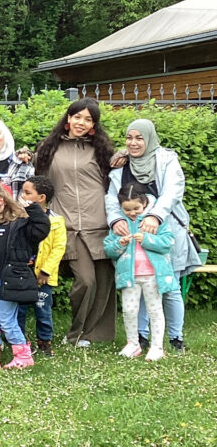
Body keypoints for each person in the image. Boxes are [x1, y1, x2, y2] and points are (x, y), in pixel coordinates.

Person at [106, 119, 200, 354]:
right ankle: (141, 337)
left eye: (140, 138)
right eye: (129, 138)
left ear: (149, 138)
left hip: (165, 230)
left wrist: (155, 216)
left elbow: (173, 190)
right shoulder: (121, 166)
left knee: (170, 288)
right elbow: (111, 198)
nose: (134, 143)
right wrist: (116, 220)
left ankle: (176, 338)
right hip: (133, 241)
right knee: (136, 289)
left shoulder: (167, 159)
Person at [34, 98, 116, 347]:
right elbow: (39, 185)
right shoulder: (48, 149)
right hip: (68, 226)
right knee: (85, 281)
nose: (81, 122)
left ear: (93, 125)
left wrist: (123, 154)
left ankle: (92, 335)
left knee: (103, 284)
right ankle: (75, 333)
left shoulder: (102, 150)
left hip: (100, 224)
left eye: (88, 119)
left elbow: (120, 179)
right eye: (77, 117)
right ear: (68, 119)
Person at [0, 181, 49, 370]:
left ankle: (23, 355)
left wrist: (33, 209)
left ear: (4, 200)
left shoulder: (19, 223)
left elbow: (41, 230)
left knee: (6, 320)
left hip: (10, 279)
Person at [104, 183, 175, 361]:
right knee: (129, 310)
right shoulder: (119, 225)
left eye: (136, 208)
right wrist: (119, 244)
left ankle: (157, 347)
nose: (132, 213)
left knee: (155, 310)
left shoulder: (155, 220)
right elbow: (109, 250)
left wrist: (147, 239)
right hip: (129, 276)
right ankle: (133, 343)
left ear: (144, 203)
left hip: (153, 275)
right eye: (127, 209)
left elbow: (168, 243)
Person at [17, 176, 66, 356]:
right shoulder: (19, 216)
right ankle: (19, 342)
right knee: (19, 310)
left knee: (43, 309)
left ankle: (44, 341)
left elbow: (58, 248)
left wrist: (46, 270)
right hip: (22, 273)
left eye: (27, 193)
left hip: (43, 275)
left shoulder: (57, 221)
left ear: (41, 197)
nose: (22, 195)